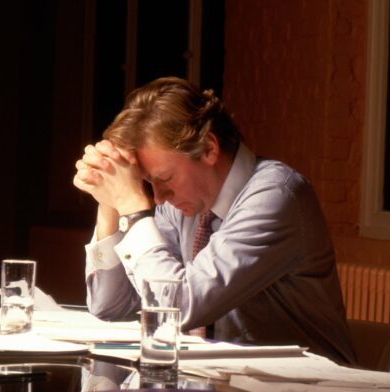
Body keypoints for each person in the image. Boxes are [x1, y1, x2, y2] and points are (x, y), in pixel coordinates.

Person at [73, 76, 354, 364]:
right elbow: (111, 306)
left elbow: (178, 306)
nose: (158, 198)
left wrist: (132, 208)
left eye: (166, 178)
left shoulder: (276, 195)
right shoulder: (181, 203)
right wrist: (108, 201)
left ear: (208, 148)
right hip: (224, 388)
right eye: (148, 183)